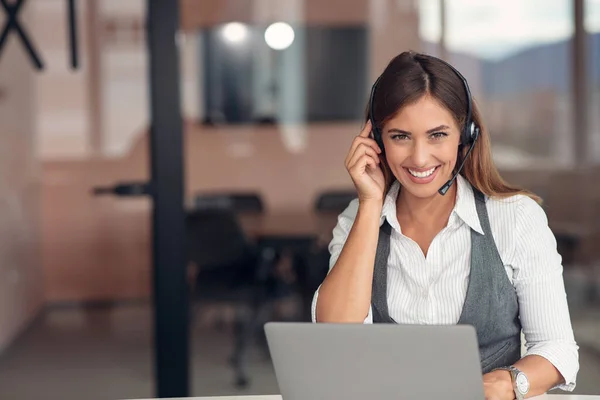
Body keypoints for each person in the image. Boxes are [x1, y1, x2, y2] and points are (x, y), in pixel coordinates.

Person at [311, 51, 579, 400]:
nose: (420, 158)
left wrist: (507, 383)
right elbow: (336, 341)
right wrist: (370, 204)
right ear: (376, 141)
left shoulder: (516, 218)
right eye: (400, 136)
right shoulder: (356, 220)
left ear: (465, 135)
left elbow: (557, 349)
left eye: (437, 135)